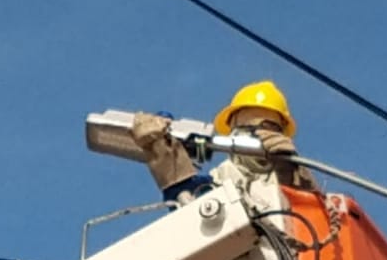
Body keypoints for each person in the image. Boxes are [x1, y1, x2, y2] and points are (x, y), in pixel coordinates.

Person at [129, 80, 317, 199]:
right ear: (233, 132)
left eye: (268, 128)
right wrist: (162, 150)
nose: (259, 135)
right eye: (248, 128)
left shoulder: (297, 177)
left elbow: (316, 215)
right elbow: (186, 204)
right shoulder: (220, 181)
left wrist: (288, 166)